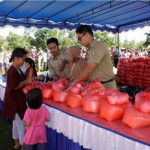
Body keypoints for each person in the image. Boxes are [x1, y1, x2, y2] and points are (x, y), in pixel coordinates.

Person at [69, 25, 116, 89]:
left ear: (87, 35)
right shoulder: (89, 49)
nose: (78, 41)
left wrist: (75, 81)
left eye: (79, 38)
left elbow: (89, 69)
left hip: (106, 85)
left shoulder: (98, 47)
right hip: (97, 86)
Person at [2, 48, 31, 149]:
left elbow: (23, 79)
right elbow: (15, 86)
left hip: (16, 99)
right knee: (21, 126)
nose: (24, 61)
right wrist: (26, 82)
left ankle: (17, 143)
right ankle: (23, 146)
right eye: (23, 59)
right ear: (15, 58)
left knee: (15, 124)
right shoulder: (12, 70)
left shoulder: (17, 68)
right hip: (15, 102)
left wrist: (31, 79)